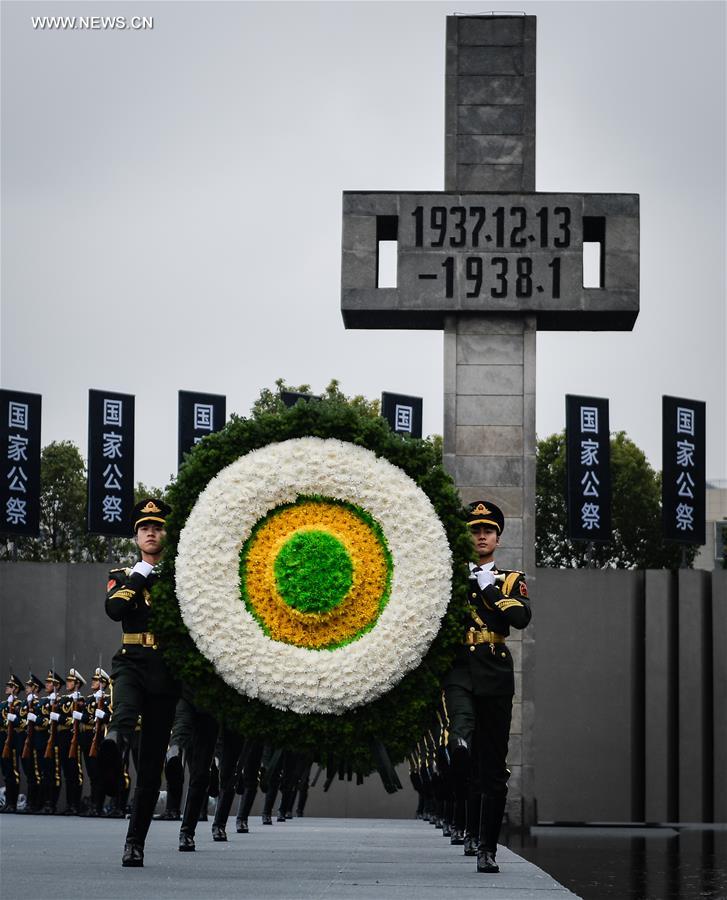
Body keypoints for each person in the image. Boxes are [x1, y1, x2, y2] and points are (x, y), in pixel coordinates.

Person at [442, 500, 531, 874]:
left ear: (497, 537)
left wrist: (489, 588)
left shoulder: (510, 579)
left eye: (488, 531)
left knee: (492, 769)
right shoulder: (447, 576)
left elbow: (521, 617)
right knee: (461, 742)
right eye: (475, 530)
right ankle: (457, 744)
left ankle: (486, 848)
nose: (481, 536)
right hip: (460, 668)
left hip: (494, 672)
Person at [100, 498, 180, 867]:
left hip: (166, 671)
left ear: (167, 533)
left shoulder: (182, 576)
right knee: (124, 717)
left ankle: (135, 843)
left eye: (158, 527)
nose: (151, 532)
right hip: (131, 661)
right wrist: (140, 574)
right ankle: (112, 752)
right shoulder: (123, 574)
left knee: (150, 767)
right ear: (136, 538)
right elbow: (115, 609)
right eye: (144, 528)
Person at [0, 674, 24, 813]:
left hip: (13, 741)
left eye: (9, 686)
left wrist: (13, 718)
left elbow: (21, 722)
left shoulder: (19, 705)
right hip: (2, 740)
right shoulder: (3, 704)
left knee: (13, 772)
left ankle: (12, 802)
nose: (6, 688)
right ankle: (8, 801)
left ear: (15, 689)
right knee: (6, 772)